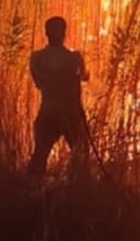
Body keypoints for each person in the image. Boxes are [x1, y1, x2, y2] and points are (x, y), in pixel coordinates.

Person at [27, 16, 90, 180]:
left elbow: (39, 83)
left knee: (39, 157)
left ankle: (32, 187)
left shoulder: (36, 58)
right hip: (71, 114)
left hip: (48, 112)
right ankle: (80, 187)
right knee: (81, 157)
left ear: (46, 33)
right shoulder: (75, 58)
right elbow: (85, 77)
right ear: (64, 33)